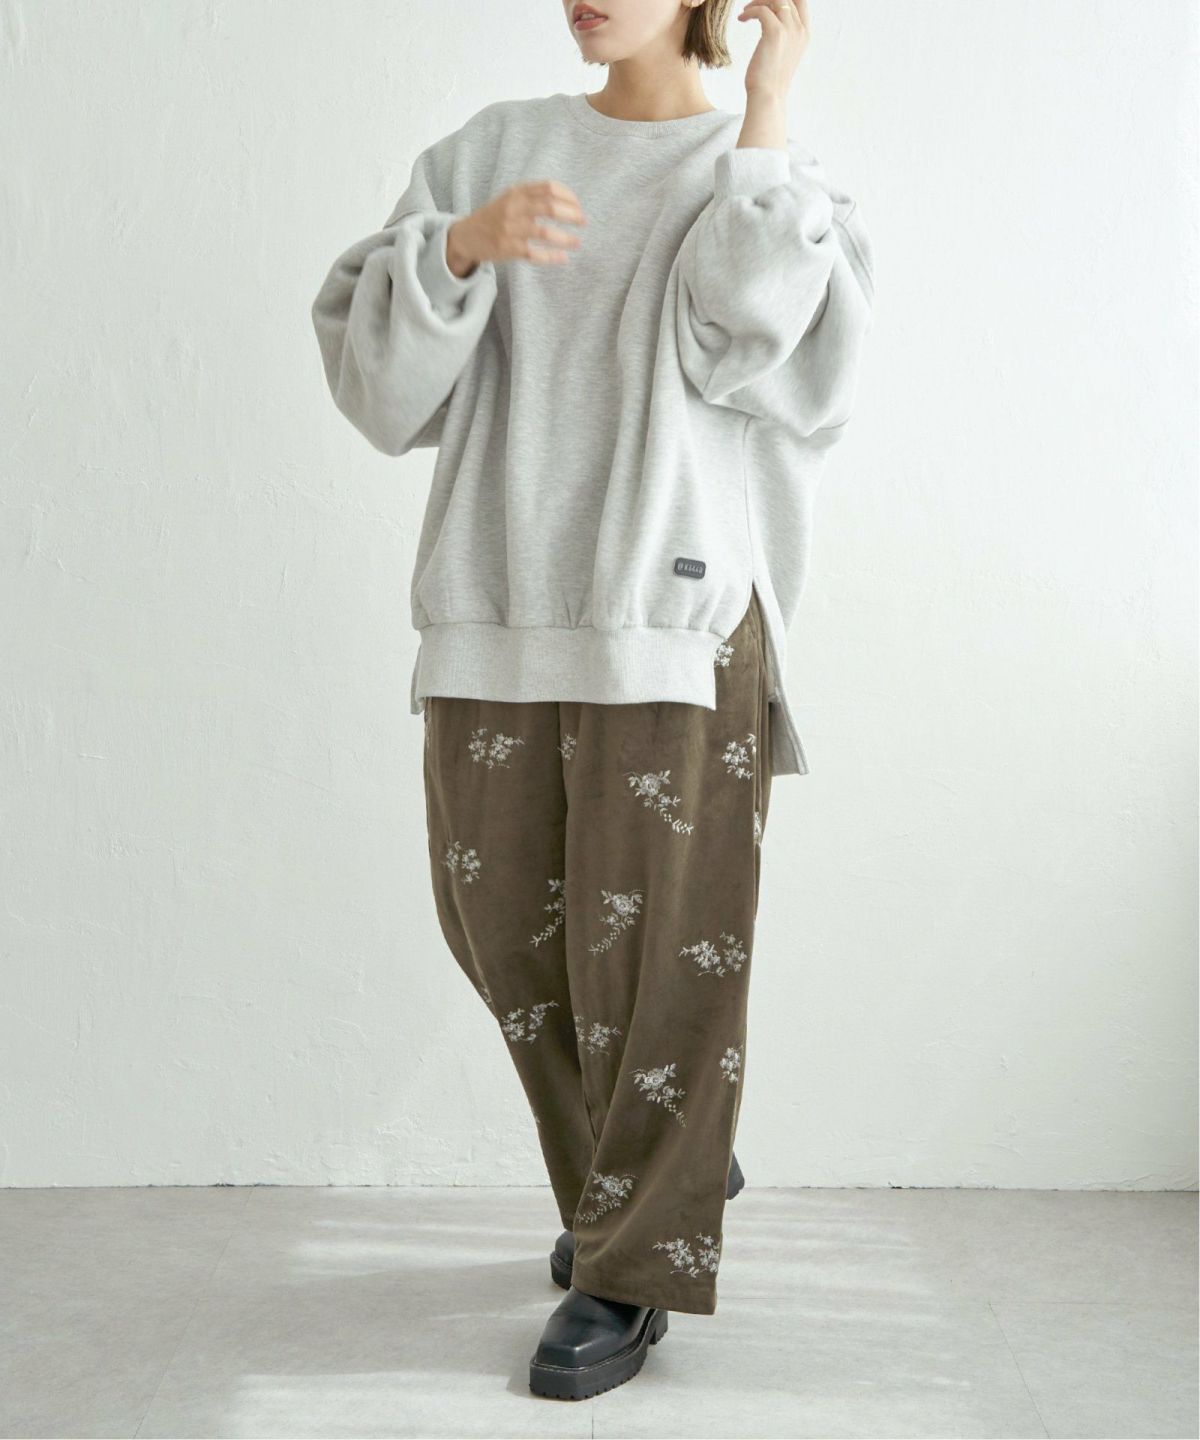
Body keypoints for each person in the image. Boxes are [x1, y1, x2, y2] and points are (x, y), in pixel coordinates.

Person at [310, 0, 873, 1401]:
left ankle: (627, 1262)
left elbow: (750, 344)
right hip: (494, 611)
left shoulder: (765, 176)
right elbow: (380, 393)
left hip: (674, 624)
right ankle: (657, 1165)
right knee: (503, 936)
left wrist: (768, 111)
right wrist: (458, 247)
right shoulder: (485, 154)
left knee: (661, 964)